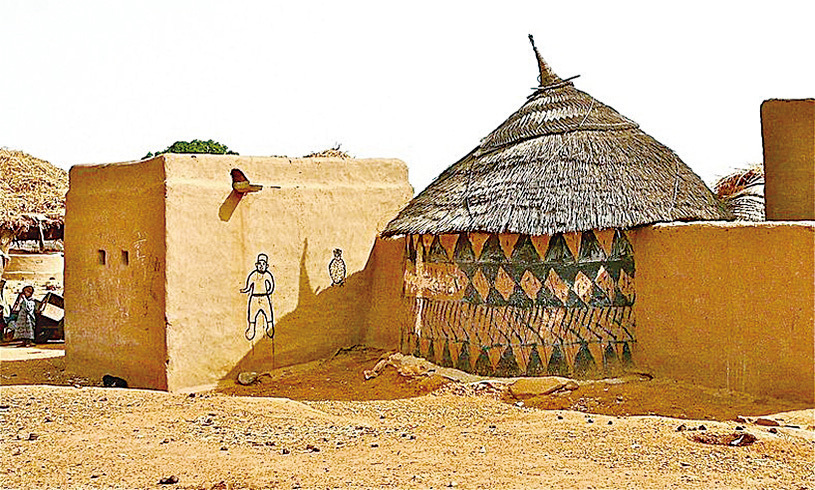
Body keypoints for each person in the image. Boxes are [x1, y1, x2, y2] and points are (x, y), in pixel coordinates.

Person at [239, 254, 275, 341]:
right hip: (254, 298)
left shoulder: (267, 275)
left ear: (266, 266)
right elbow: (248, 286)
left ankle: (270, 326)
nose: (261, 266)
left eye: (263, 264)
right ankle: (251, 329)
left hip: (264, 297)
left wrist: (269, 291)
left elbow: (271, 286)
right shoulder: (253, 275)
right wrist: (245, 290)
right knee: (252, 315)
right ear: (256, 265)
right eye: (260, 264)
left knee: (268, 314)